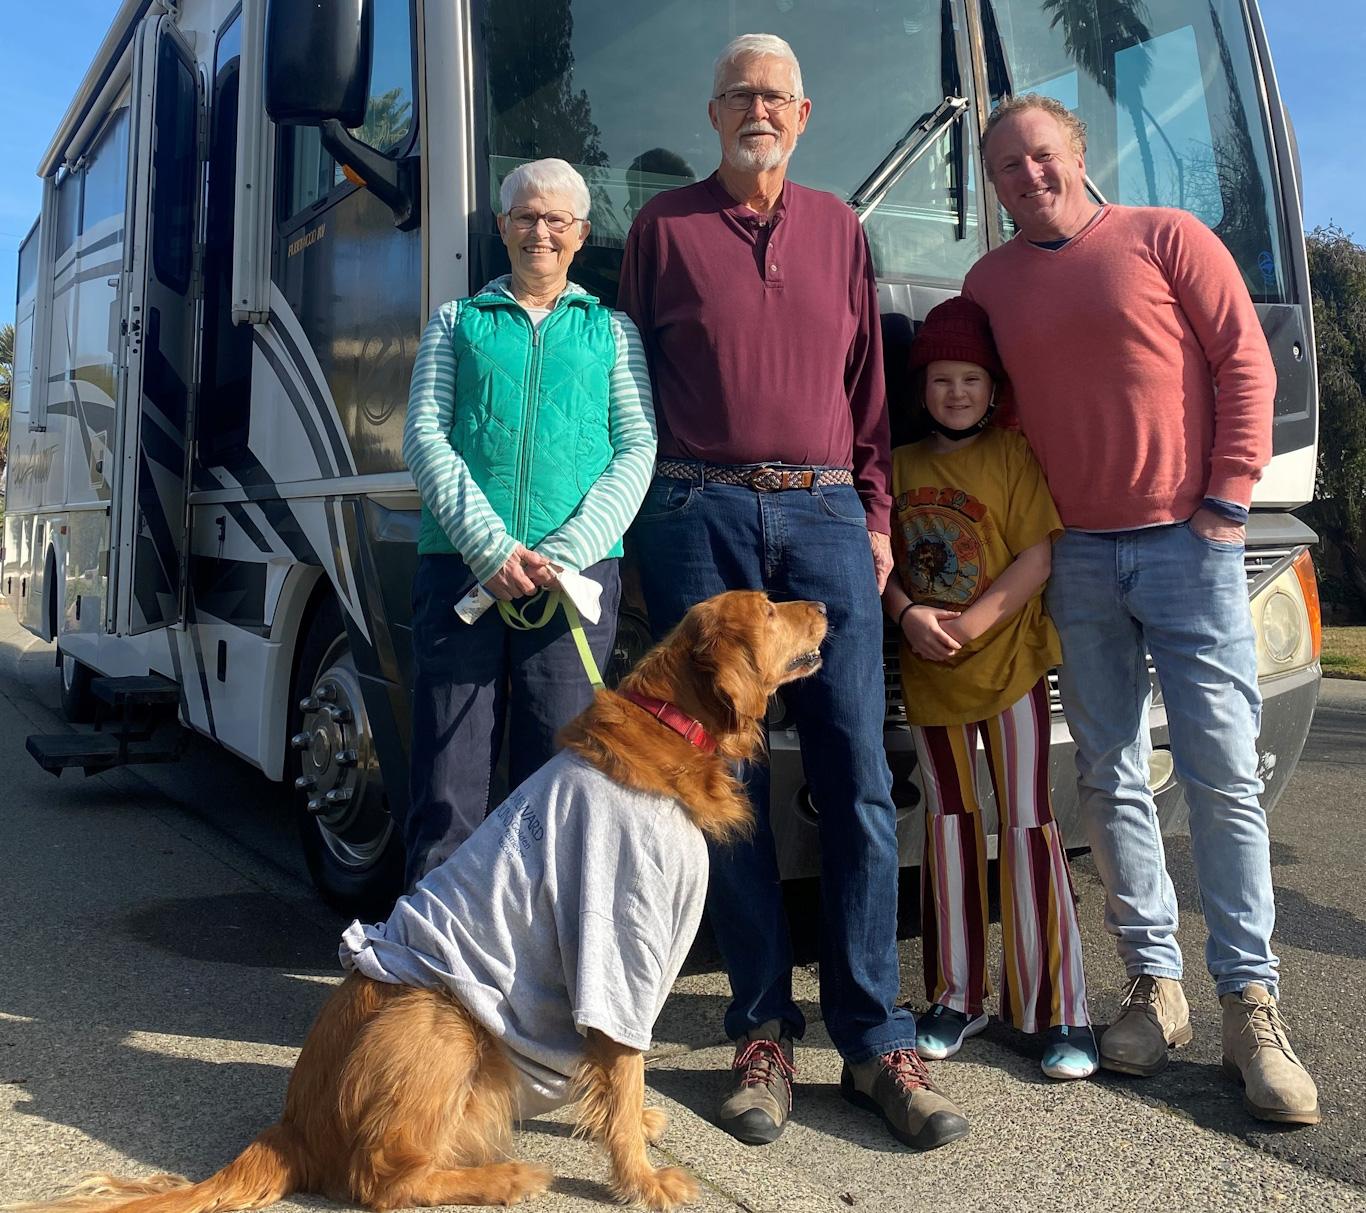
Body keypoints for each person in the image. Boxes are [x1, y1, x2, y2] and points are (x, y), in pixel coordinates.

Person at [619, 33, 968, 1152]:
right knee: (721, 781)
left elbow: (871, 390)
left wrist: (871, 514)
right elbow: (635, 384)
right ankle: (761, 1029)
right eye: (738, 95)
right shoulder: (661, 230)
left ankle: (875, 1038)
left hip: (823, 515)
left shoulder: (840, 230)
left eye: (774, 95)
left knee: (856, 773)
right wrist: (643, 518)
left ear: (803, 116)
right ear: (714, 113)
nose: (756, 109)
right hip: (696, 511)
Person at [963, 94, 1319, 1123]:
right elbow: (1001, 413)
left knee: (1219, 772)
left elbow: (1242, 364)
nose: (1025, 176)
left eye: (1039, 156)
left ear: (1077, 155)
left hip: (1186, 543)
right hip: (1075, 555)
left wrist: (1223, 504)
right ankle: (1153, 992)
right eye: (1004, 169)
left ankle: (1250, 1005)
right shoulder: (989, 282)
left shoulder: (1165, 238)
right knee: (1108, 769)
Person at [401, 157, 656, 888]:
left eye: (557, 219)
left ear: (580, 234)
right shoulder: (456, 321)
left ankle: (537, 967)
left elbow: (637, 447)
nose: (539, 230)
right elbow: (424, 435)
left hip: (571, 585)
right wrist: (486, 545)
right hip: (461, 573)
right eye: (525, 215)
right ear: (500, 226)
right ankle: (430, 965)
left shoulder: (613, 331)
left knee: (555, 782)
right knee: (448, 784)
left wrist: (566, 553)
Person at [882, 297, 1095, 1082]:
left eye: (971, 378)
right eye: (942, 379)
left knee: (1031, 823)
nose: (957, 392)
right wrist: (906, 614)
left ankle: (1056, 1006)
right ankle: (955, 992)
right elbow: (883, 564)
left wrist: (970, 626)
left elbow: (1036, 560)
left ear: (992, 387)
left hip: (1009, 669)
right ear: (923, 386)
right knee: (947, 825)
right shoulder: (900, 465)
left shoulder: (1013, 457)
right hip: (931, 674)